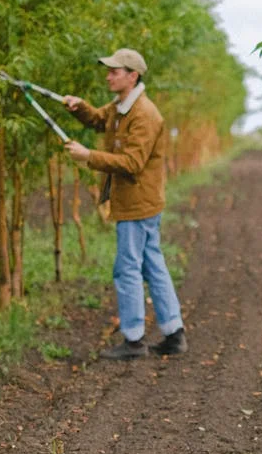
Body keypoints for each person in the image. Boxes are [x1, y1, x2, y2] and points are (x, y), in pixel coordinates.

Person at [63, 47, 188, 360]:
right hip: (138, 201)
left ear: (132, 76)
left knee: (127, 268)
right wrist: (79, 107)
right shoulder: (121, 106)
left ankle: (133, 340)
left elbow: (132, 163)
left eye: (114, 72)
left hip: (137, 203)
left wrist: (88, 156)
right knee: (152, 264)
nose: (108, 77)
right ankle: (174, 333)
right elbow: (99, 120)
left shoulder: (144, 114)